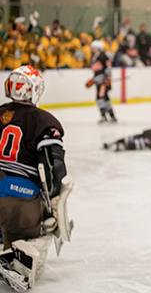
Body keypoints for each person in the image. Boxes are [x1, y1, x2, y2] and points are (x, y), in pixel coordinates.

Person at [0, 65, 73, 291]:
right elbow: (53, 167)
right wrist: (53, 203)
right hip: (18, 204)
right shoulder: (44, 121)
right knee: (47, 227)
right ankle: (17, 261)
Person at [87, 40, 117, 123]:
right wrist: (93, 80)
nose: (91, 49)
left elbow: (108, 68)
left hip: (103, 83)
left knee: (100, 98)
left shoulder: (103, 56)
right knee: (106, 99)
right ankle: (112, 116)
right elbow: (97, 72)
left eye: (93, 48)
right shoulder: (95, 58)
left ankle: (104, 117)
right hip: (99, 82)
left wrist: (108, 78)